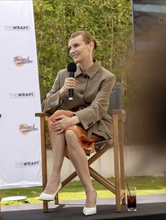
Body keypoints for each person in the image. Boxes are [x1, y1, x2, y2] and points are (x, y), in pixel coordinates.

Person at [38, 31, 116, 216]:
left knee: (68, 129)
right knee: (60, 120)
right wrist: (62, 92)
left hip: (95, 125)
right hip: (66, 125)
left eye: (76, 45)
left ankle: (77, 188)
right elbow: (45, 106)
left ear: (91, 46)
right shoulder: (63, 74)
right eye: (70, 47)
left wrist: (72, 120)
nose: (72, 50)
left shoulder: (107, 77)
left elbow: (99, 108)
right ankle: (74, 185)